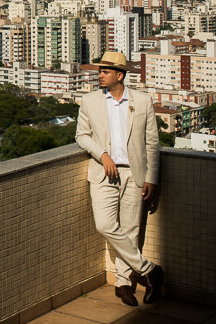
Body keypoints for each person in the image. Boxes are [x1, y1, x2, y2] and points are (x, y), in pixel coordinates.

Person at [75, 51, 164, 306]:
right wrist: (102, 154)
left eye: (105, 71)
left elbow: (152, 144)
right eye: (100, 71)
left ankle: (124, 283)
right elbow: (82, 136)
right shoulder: (90, 101)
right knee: (104, 224)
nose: (99, 75)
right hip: (104, 173)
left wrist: (152, 178)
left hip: (135, 174)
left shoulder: (143, 101)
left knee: (131, 231)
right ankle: (149, 270)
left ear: (119, 75)